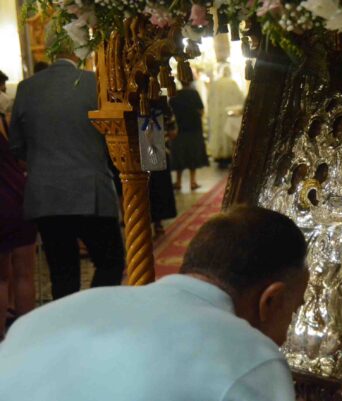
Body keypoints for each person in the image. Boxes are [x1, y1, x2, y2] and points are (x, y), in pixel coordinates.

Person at [0, 206, 309, 401]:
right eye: (294, 311)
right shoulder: (249, 358)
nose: (285, 336)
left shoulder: (42, 318)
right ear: (271, 300)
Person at [8, 34, 124, 300]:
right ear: (80, 48)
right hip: (91, 191)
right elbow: (114, 137)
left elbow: (16, 145)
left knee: (62, 273)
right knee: (110, 262)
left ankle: (69, 319)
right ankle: (92, 314)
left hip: (46, 194)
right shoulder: (95, 83)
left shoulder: (27, 87)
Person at [0, 112, 36, 339]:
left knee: (1, 279)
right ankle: (26, 337)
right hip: (19, 197)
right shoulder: (4, 120)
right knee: (25, 274)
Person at [169, 81, 209, 191]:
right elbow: (201, 110)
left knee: (179, 155)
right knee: (193, 155)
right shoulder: (194, 94)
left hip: (179, 129)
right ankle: (193, 182)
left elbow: (170, 112)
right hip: (194, 128)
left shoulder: (175, 95)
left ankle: (178, 181)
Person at [208, 64, 244, 169]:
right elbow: (240, 99)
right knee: (228, 134)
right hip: (229, 114)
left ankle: (219, 157)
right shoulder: (232, 83)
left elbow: (210, 101)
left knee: (219, 134)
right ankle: (228, 157)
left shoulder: (215, 84)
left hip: (217, 116)